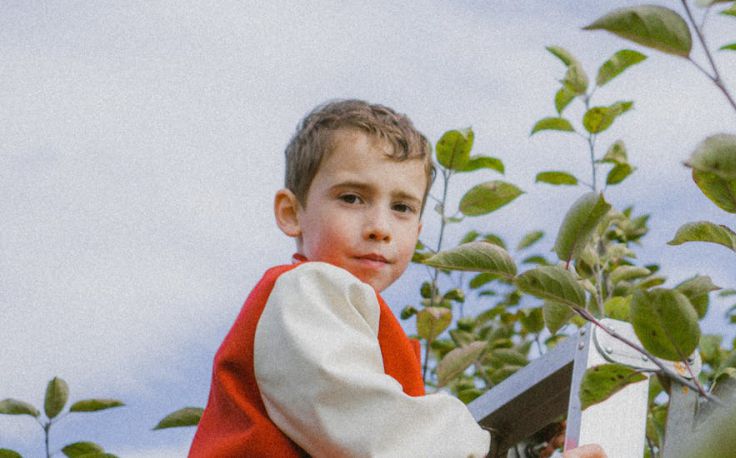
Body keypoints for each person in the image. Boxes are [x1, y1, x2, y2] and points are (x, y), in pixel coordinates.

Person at [190, 100, 604, 457]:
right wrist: (485, 445)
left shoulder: (360, 326)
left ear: (419, 232)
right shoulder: (306, 289)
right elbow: (367, 424)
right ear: (291, 212)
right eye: (352, 198)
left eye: (402, 208)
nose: (379, 227)